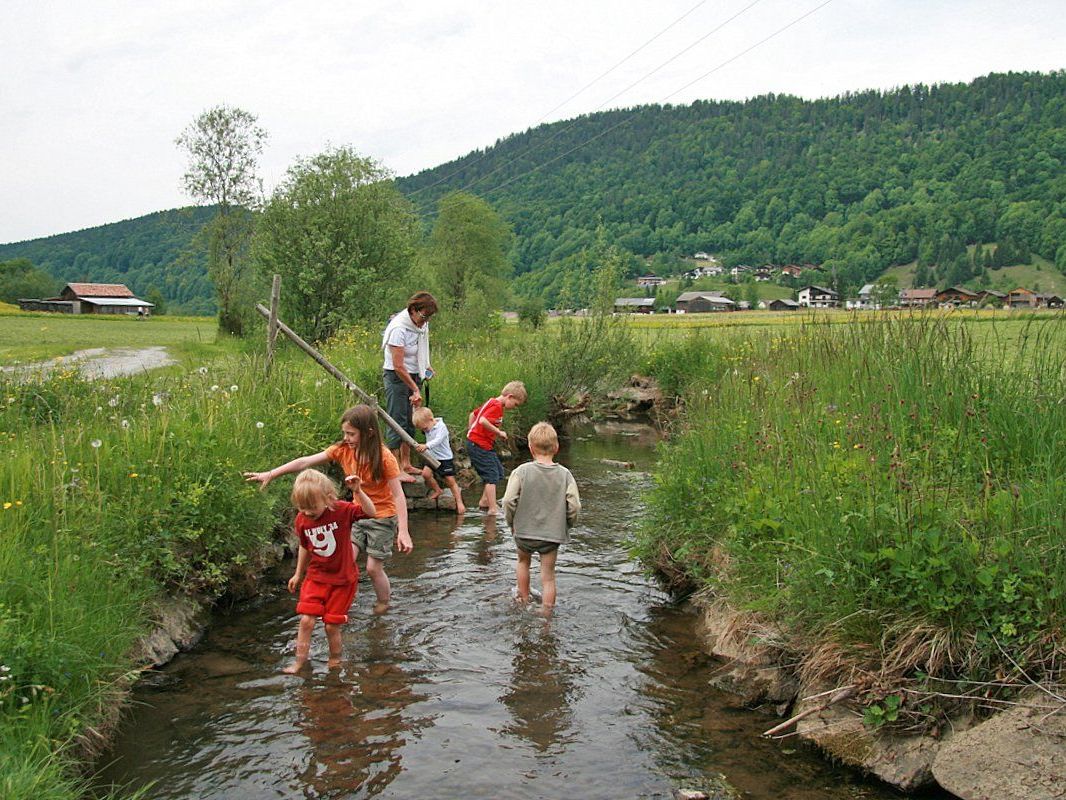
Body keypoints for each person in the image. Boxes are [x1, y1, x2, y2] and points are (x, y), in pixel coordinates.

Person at [244, 405, 413, 612]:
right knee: (344, 561)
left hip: (382, 517)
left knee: (372, 568)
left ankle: (383, 603)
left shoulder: (384, 457)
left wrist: (403, 531)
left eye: (351, 434)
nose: (346, 438)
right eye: (345, 433)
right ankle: (340, 602)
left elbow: (398, 495)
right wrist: (271, 473)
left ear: (369, 433)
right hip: (356, 514)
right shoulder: (343, 450)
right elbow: (305, 462)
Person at [284, 468, 376, 673]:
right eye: (302, 508)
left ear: (328, 498)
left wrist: (358, 491)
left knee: (331, 625)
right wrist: (298, 573)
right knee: (306, 620)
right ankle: (299, 662)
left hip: (343, 580)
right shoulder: (302, 519)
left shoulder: (341, 510)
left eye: (312, 507)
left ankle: (335, 659)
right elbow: (305, 546)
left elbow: (371, 512)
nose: (308, 513)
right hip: (316, 577)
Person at [502, 422, 580, 615]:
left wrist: (511, 523)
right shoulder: (565, 475)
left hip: (524, 532)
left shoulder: (521, 471)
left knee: (523, 563)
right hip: (552, 535)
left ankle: (523, 601)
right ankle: (546, 617)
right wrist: (567, 524)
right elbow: (575, 506)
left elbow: (508, 500)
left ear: (530, 448)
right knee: (548, 577)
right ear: (556, 447)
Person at [381, 291, 438, 481]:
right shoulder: (398, 329)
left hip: (414, 374)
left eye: (429, 317)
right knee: (397, 420)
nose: (426, 321)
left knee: (411, 420)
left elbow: (420, 350)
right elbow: (398, 366)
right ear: (413, 310)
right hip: (396, 377)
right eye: (424, 316)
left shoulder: (421, 325)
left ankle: (406, 463)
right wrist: (414, 388)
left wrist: (426, 366)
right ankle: (396, 469)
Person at [465, 380, 527, 515]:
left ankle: (485, 501)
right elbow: (482, 421)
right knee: (491, 476)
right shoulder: (497, 406)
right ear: (510, 397)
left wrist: (471, 431)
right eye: (515, 404)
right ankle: (492, 509)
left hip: (483, 444)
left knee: (498, 472)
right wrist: (498, 432)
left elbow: (473, 415)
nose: (514, 407)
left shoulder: (492, 402)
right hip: (478, 445)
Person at [412, 406, 466, 515]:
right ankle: (437, 490)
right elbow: (418, 414)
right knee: (426, 474)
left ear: (431, 420)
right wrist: (415, 407)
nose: (424, 431)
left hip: (444, 458)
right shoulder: (427, 423)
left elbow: (438, 440)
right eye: (422, 430)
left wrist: (426, 446)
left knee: (450, 481)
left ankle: (459, 502)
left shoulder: (442, 427)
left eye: (425, 429)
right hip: (432, 456)